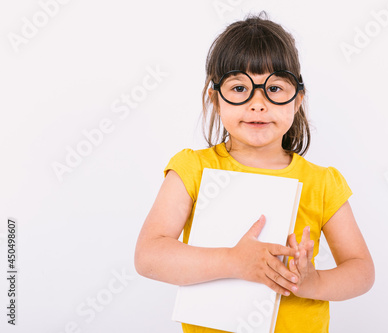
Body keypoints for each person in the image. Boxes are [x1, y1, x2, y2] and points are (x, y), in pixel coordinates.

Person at [134, 12, 375, 333]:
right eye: (239, 88)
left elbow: (361, 270)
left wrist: (312, 282)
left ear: (298, 99)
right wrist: (233, 261)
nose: (258, 103)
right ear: (215, 99)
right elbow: (149, 256)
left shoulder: (322, 182)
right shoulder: (192, 169)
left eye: (274, 88)